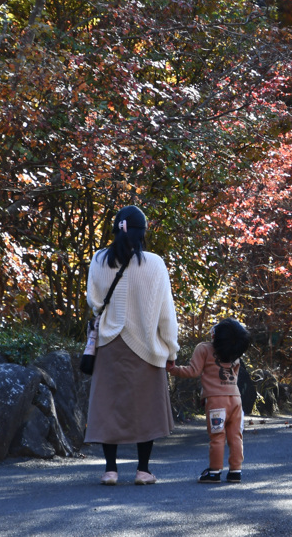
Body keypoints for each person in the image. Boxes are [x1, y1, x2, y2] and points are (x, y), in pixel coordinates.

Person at [85, 205, 179, 486]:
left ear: (116, 229)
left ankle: (110, 470)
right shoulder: (155, 263)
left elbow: (95, 302)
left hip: (109, 344)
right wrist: (172, 350)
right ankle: (143, 470)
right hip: (146, 345)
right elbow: (166, 313)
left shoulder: (99, 259)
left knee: (108, 406)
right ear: (142, 234)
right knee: (145, 408)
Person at [167, 318, 251, 483]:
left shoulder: (204, 348)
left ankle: (214, 471)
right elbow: (234, 373)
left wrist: (173, 369)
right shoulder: (235, 352)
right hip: (235, 399)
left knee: (217, 436)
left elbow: (193, 371)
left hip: (216, 401)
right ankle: (236, 470)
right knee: (235, 436)